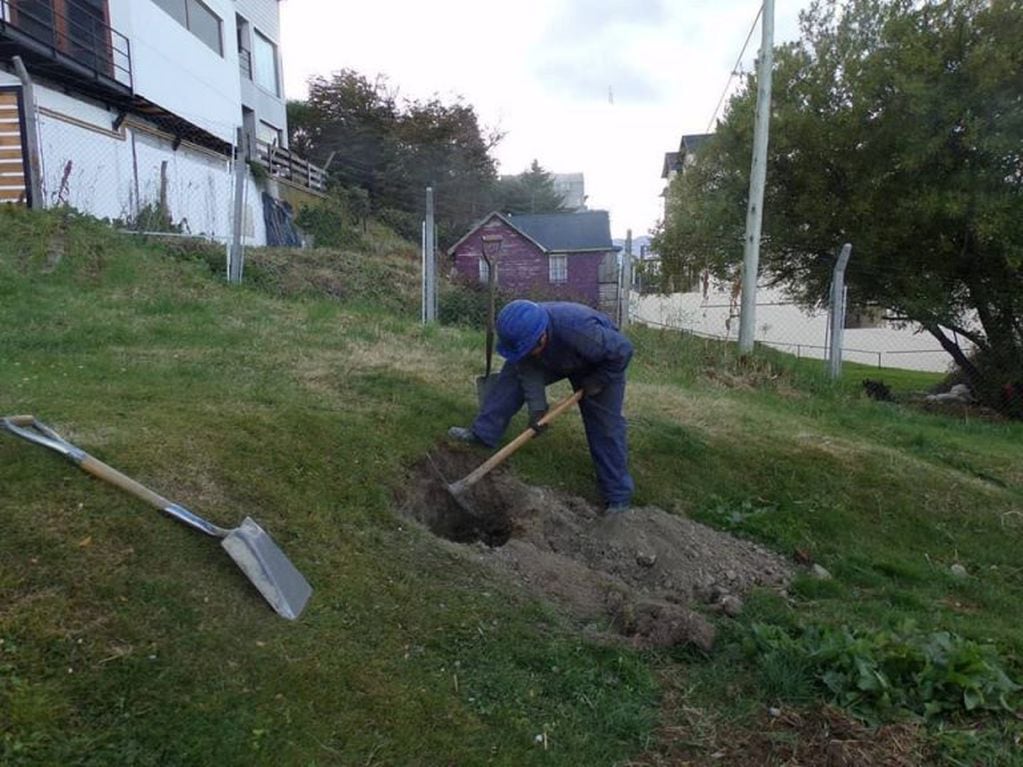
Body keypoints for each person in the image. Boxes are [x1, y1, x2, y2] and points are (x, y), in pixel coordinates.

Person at [448, 299, 634, 514]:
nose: (526, 354)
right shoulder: (523, 335)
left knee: (606, 426)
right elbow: (528, 371)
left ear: (543, 335)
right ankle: (483, 433)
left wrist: (600, 380)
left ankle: (618, 496)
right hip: (555, 358)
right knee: (511, 378)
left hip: (601, 364)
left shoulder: (580, 331)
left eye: (529, 349)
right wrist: (538, 410)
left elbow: (623, 350)